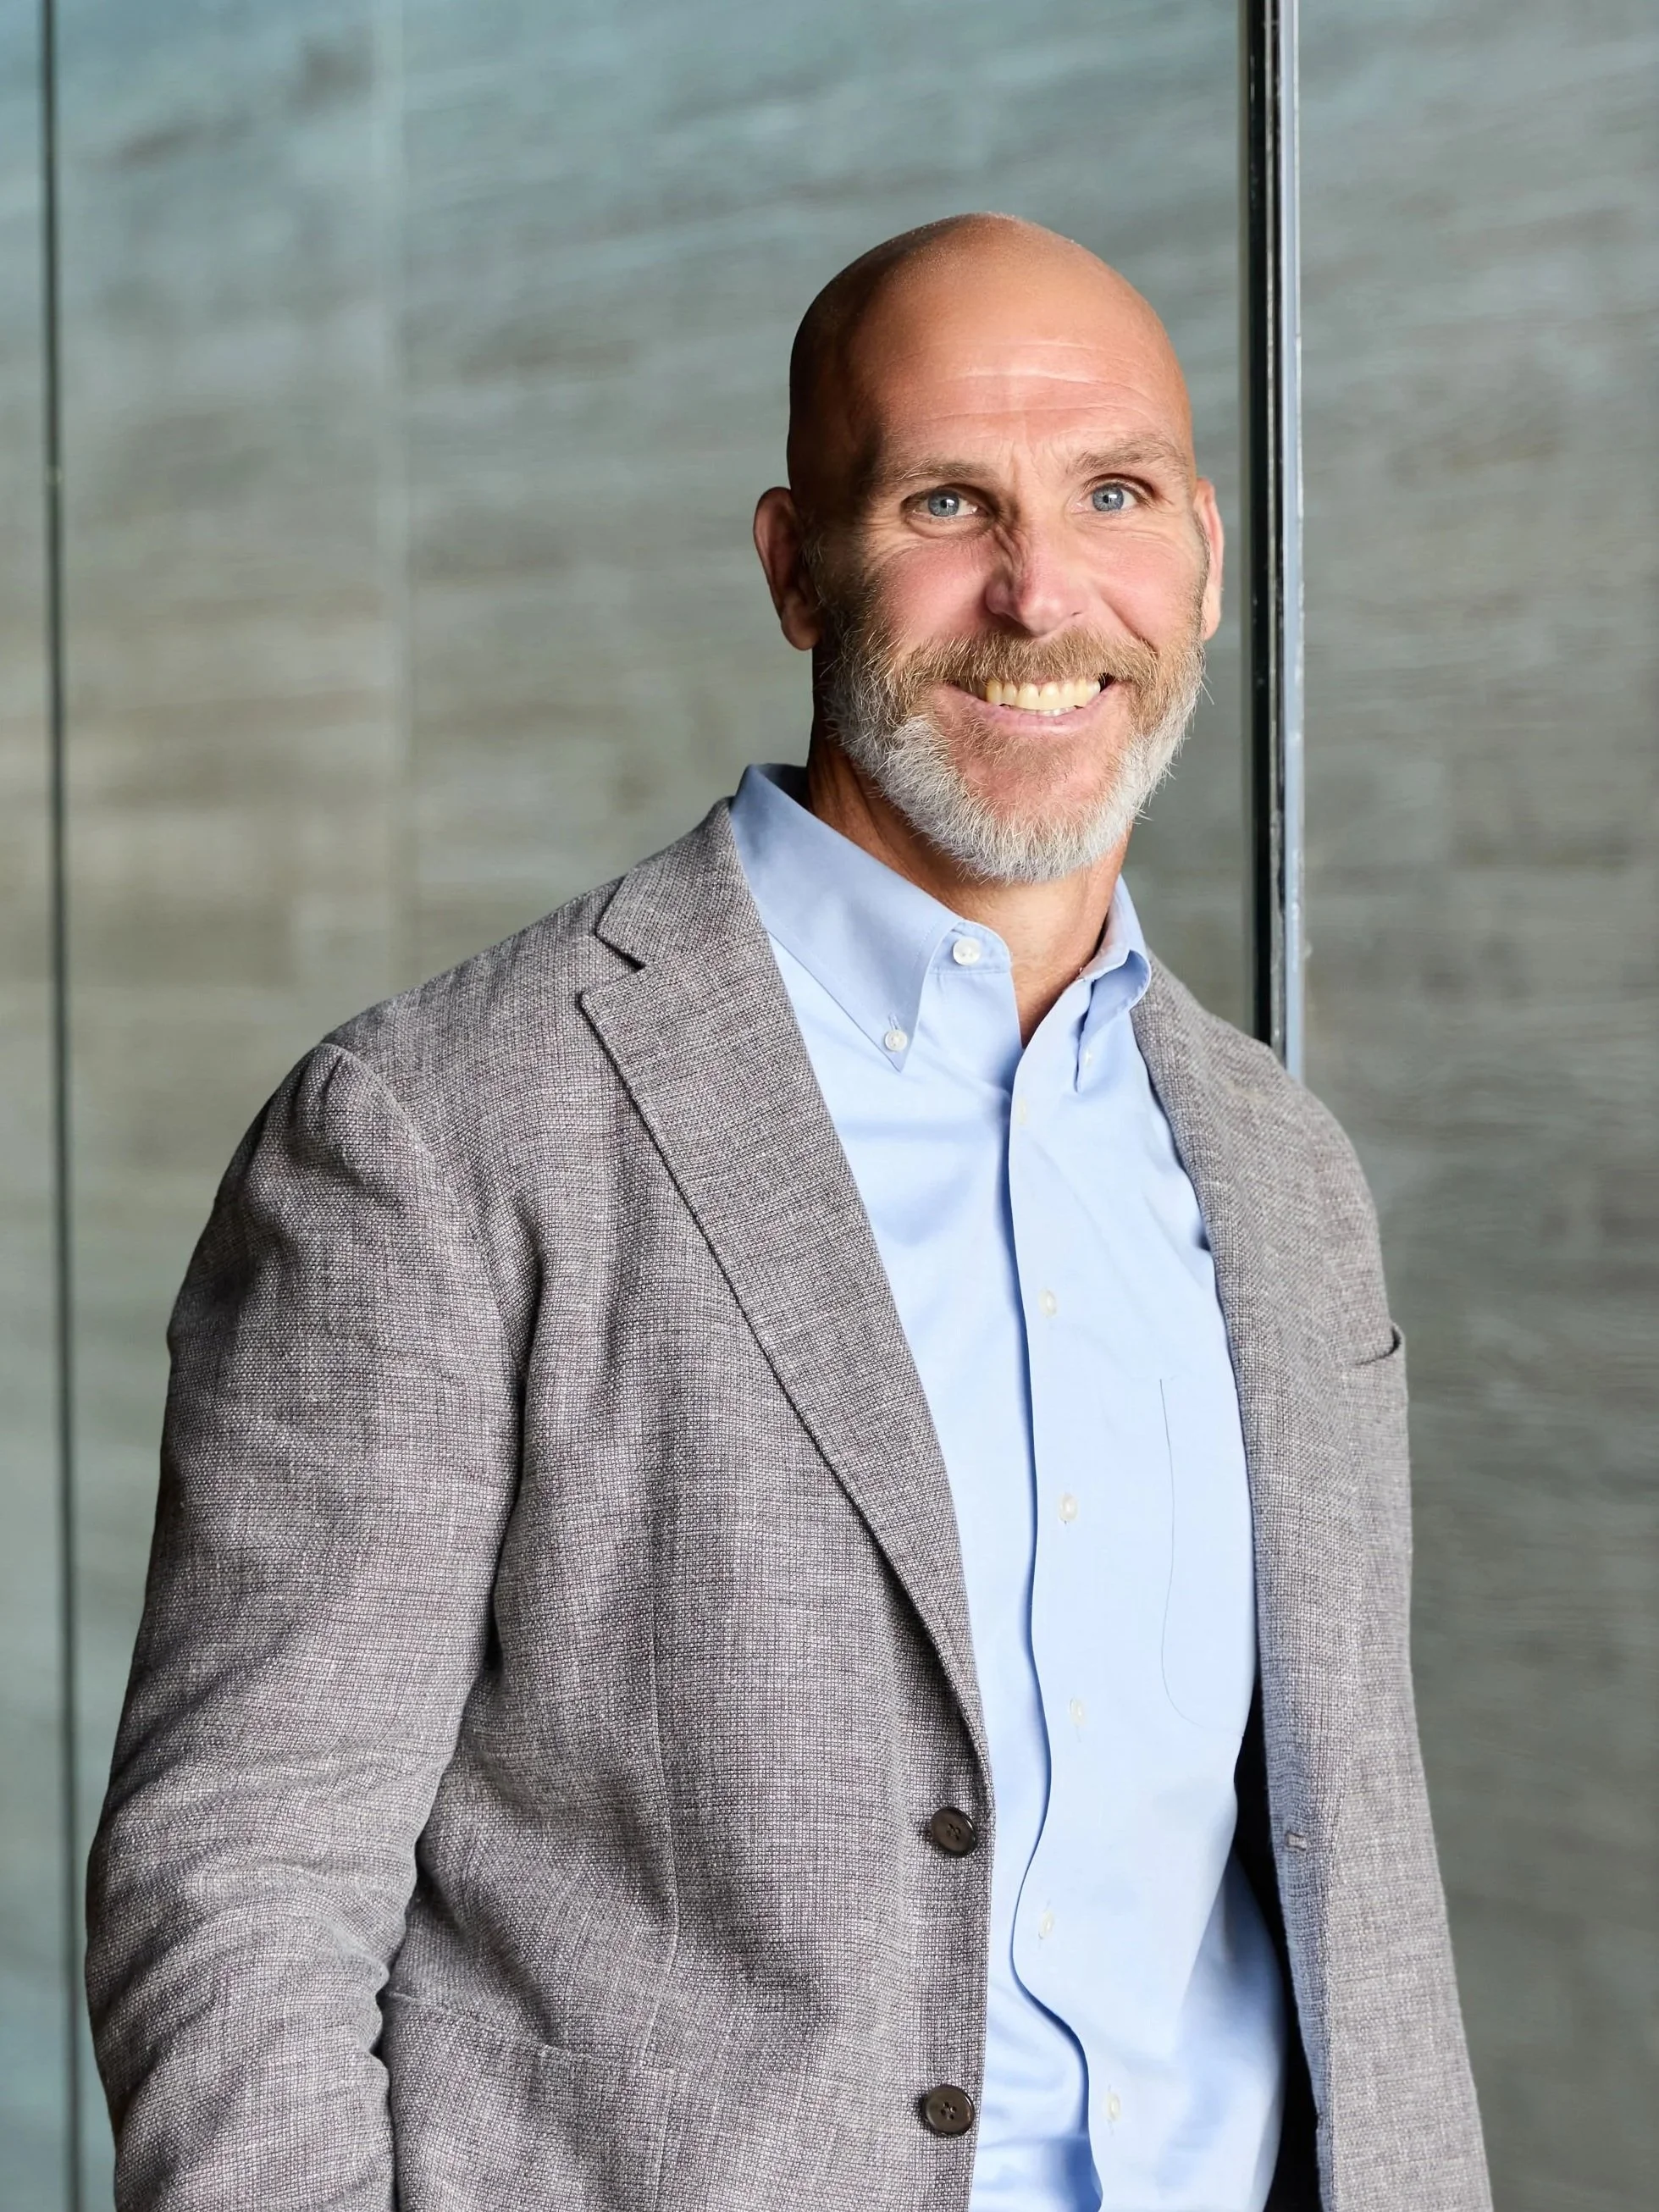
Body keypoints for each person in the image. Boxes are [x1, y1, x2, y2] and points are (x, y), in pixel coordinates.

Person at [86, 214, 1490, 2212]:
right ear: (789, 562)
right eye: (945, 499)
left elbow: (1355, 1883)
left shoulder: (1278, 1169)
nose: (1038, 591)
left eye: (1110, 494)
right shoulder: (434, 1134)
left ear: (1200, 551)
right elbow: (240, 1896)